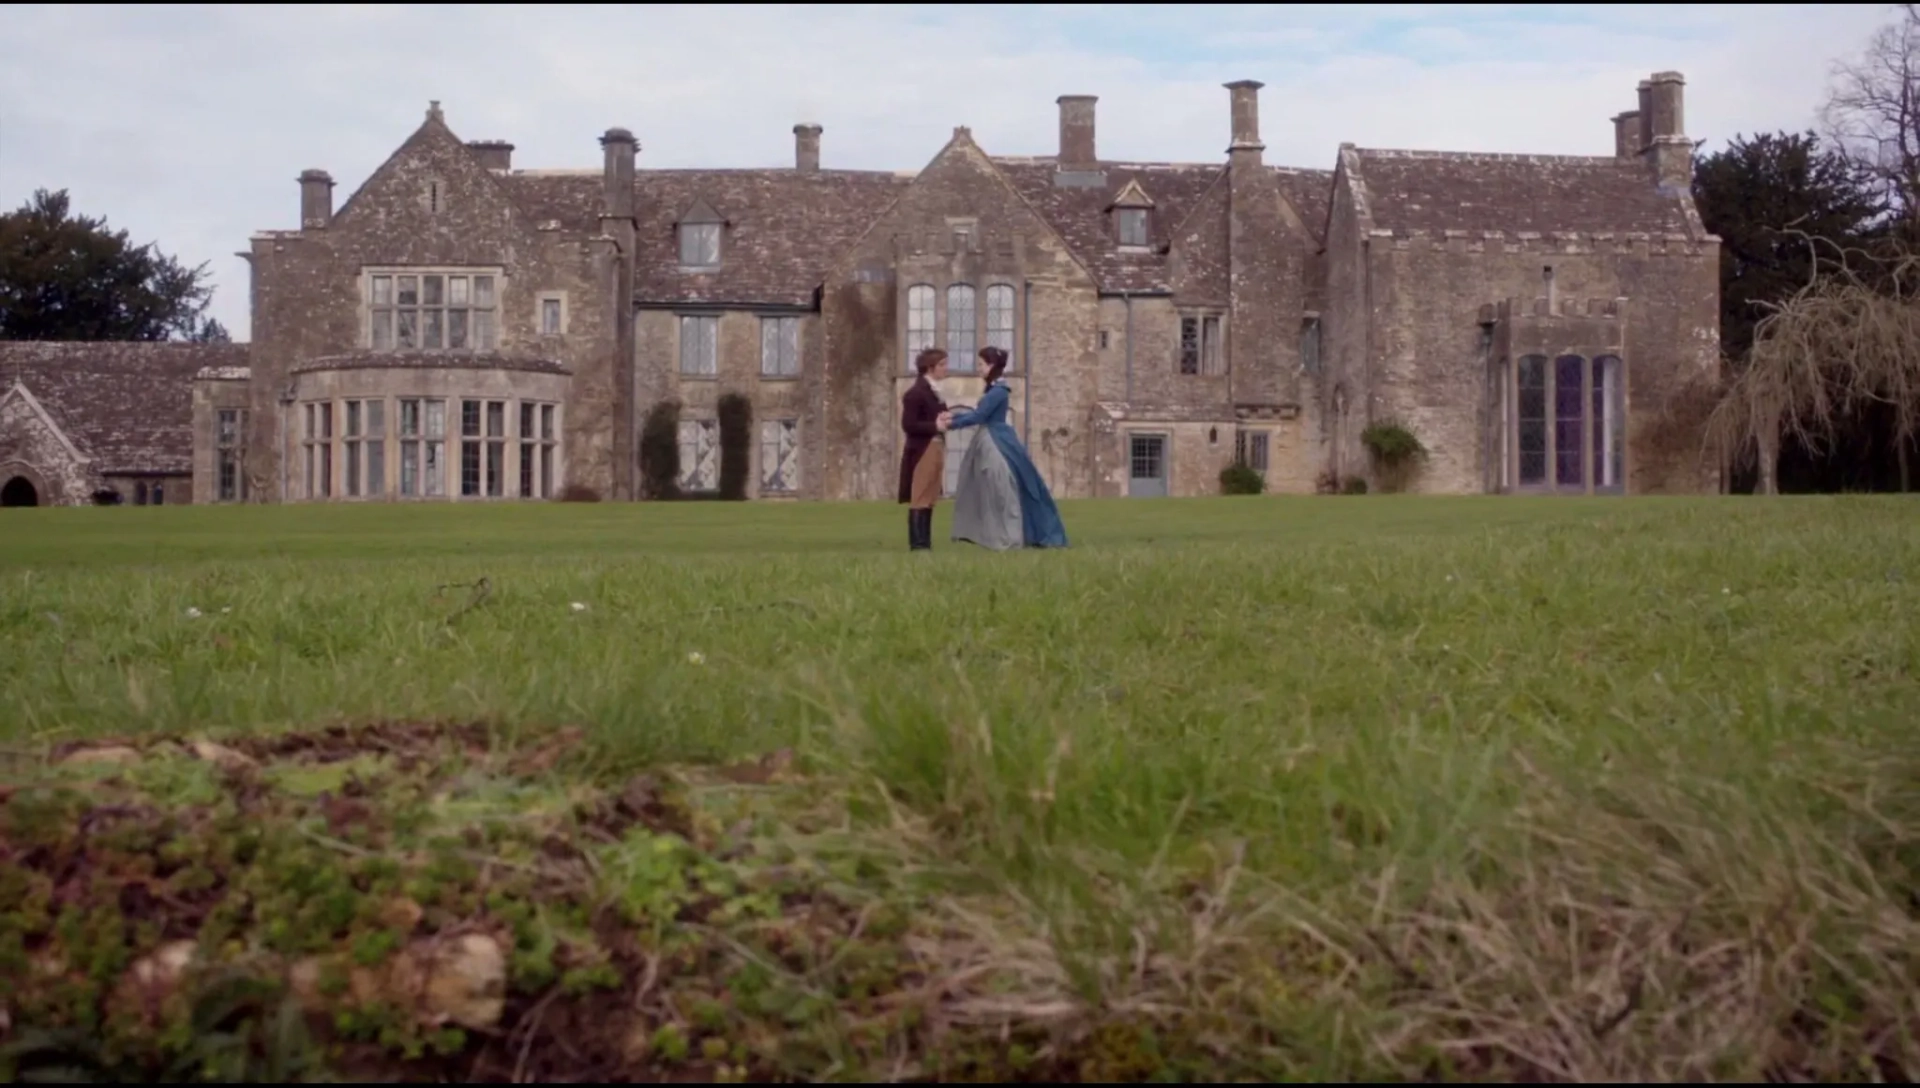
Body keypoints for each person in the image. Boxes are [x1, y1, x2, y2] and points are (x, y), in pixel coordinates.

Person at [941, 345, 1068, 550]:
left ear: (991, 365)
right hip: (991, 438)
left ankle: (1012, 536)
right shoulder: (994, 390)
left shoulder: (998, 391)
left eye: (981, 364)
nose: (979, 369)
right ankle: (999, 534)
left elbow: (980, 416)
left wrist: (951, 423)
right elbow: (979, 413)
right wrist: (954, 416)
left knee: (1003, 490)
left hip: (996, 440)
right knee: (995, 489)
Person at [898, 347, 951, 552]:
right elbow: (909, 425)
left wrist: (947, 419)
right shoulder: (915, 393)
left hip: (936, 445)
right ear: (929, 368)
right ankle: (918, 545)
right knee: (920, 496)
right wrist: (934, 426)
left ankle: (925, 544)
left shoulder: (935, 391)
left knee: (930, 496)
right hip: (923, 448)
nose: (946, 369)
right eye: (942, 365)